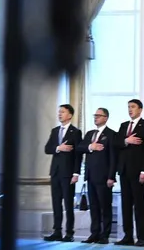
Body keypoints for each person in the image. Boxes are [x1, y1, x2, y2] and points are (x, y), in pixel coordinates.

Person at [115, 98, 144, 246]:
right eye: (128, 107)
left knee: (139, 204)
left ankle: (142, 237)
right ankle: (127, 236)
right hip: (124, 170)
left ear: (140, 109)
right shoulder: (123, 125)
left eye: (133, 107)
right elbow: (116, 143)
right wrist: (127, 140)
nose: (130, 109)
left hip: (138, 171)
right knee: (125, 204)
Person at [43, 104, 83, 242]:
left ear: (70, 115)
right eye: (59, 112)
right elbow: (47, 148)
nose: (60, 114)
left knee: (68, 204)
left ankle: (69, 233)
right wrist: (58, 148)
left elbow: (78, 154)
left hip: (68, 173)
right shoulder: (55, 131)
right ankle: (57, 231)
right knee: (56, 203)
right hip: (55, 172)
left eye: (63, 112)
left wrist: (76, 173)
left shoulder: (75, 132)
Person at [81, 108, 117, 243]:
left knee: (105, 206)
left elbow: (113, 157)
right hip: (90, 175)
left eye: (98, 115)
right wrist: (91, 146)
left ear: (105, 118)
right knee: (94, 206)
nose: (95, 117)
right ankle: (94, 233)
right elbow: (80, 147)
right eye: (94, 115)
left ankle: (105, 235)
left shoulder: (111, 134)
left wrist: (111, 176)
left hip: (104, 176)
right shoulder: (90, 134)